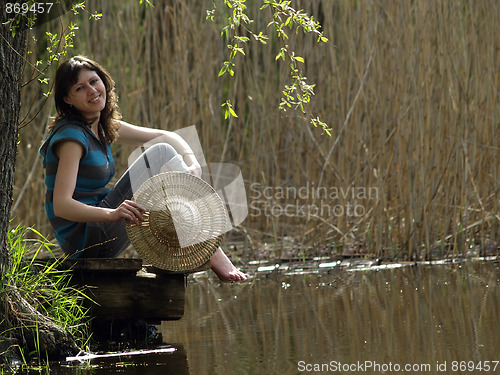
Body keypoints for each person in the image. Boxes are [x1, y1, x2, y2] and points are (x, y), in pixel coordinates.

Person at [39, 55, 247, 282]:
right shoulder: (71, 138)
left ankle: (195, 250)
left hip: (99, 230)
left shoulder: (100, 125)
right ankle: (211, 250)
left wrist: (191, 162)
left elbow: (163, 136)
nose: (91, 90)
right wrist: (113, 213)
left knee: (163, 153)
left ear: (104, 81)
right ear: (68, 98)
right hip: (88, 240)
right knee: (160, 155)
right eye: (80, 87)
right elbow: (61, 205)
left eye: (94, 81)